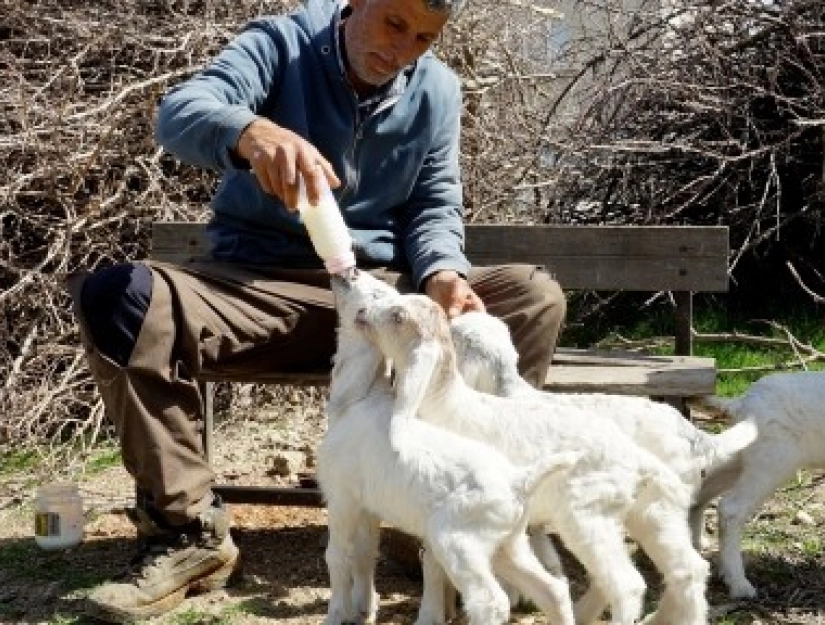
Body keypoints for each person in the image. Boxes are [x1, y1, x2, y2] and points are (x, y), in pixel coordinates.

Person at [66, 0, 566, 620]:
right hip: (257, 288)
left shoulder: (436, 90)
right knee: (122, 298)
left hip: (381, 299)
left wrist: (442, 273)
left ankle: (444, 511)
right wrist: (250, 133)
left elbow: (435, 205)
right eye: (394, 24)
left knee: (531, 297)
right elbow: (180, 113)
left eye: (424, 38)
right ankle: (187, 534)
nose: (403, 48)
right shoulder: (280, 45)